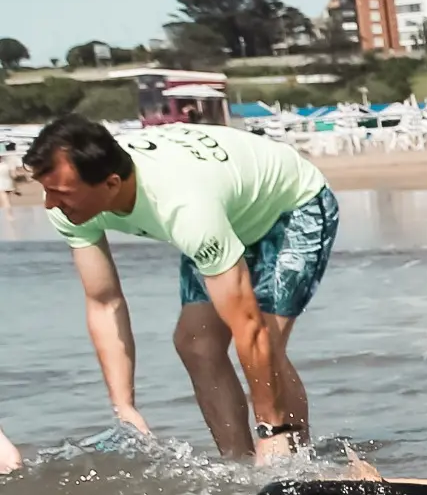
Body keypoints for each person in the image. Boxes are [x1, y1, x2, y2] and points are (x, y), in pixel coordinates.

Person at [30, 116, 338, 463]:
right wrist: (125, 407)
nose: (50, 204)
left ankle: (293, 458)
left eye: (62, 194)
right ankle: (239, 466)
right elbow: (103, 300)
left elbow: (248, 327)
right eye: (47, 190)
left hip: (289, 205)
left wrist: (270, 428)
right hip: (224, 209)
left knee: (265, 339)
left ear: (112, 183)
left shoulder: (183, 208)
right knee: (196, 343)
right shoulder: (67, 209)